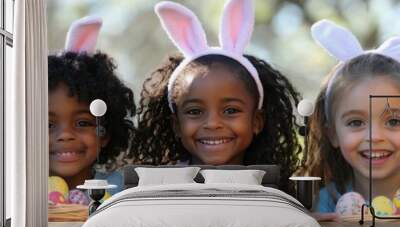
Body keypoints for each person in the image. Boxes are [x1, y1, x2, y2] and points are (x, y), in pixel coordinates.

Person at [129, 0, 302, 192]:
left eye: (230, 110)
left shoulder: (277, 190)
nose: (212, 123)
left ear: (257, 121)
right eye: (195, 111)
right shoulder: (156, 190)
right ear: (176, 124)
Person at [303, 19, 400, 216]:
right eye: (356, 122)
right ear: (332, 134)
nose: (374, 137)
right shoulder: (323, 206)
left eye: (394, 121)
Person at [48, 16, 135, 200]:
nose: (65, 135)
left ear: (105, 133)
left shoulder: (121, 191)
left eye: (82, 122)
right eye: (48, 125)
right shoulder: (17, 193)